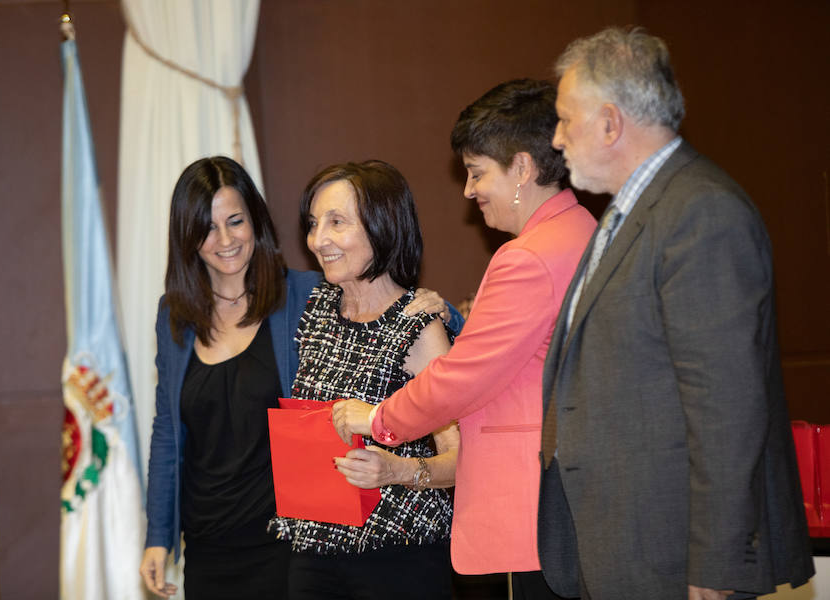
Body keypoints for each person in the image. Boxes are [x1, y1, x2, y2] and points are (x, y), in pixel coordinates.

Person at [536, 27, 814, 599]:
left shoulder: (702, 213)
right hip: (619, 544)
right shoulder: (631, 212)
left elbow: (727, 409)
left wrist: (715, 566)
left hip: (671, 555)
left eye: (565, 119)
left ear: (611, 123)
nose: (557, 139)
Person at [139, 157, 458, 599]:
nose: (225, 239)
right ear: (187, 235)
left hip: (289, 535)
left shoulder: (307, 294)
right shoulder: (174, 314)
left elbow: (394, 311)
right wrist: (159, 534)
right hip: (209, 536)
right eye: (208, 227)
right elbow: (167, 432)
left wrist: (441, 308)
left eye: (236, 221)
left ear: (257, 222)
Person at [331, 80, 596, 599]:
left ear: (522, 168)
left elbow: (464, 376)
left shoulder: (525, 257)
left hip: (532, 504)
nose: (469, 191)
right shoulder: (582, 228)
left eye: (477, 174)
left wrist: (376, 418)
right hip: (574, 494)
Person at [267, 160, 460, 600]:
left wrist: (397, 469)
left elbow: (463, 459)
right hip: (313, 549)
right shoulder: (315, 307)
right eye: (314, 224)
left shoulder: (418, 325)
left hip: (398, 554)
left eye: (337, 222)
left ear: (382, 226)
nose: (319, 240)